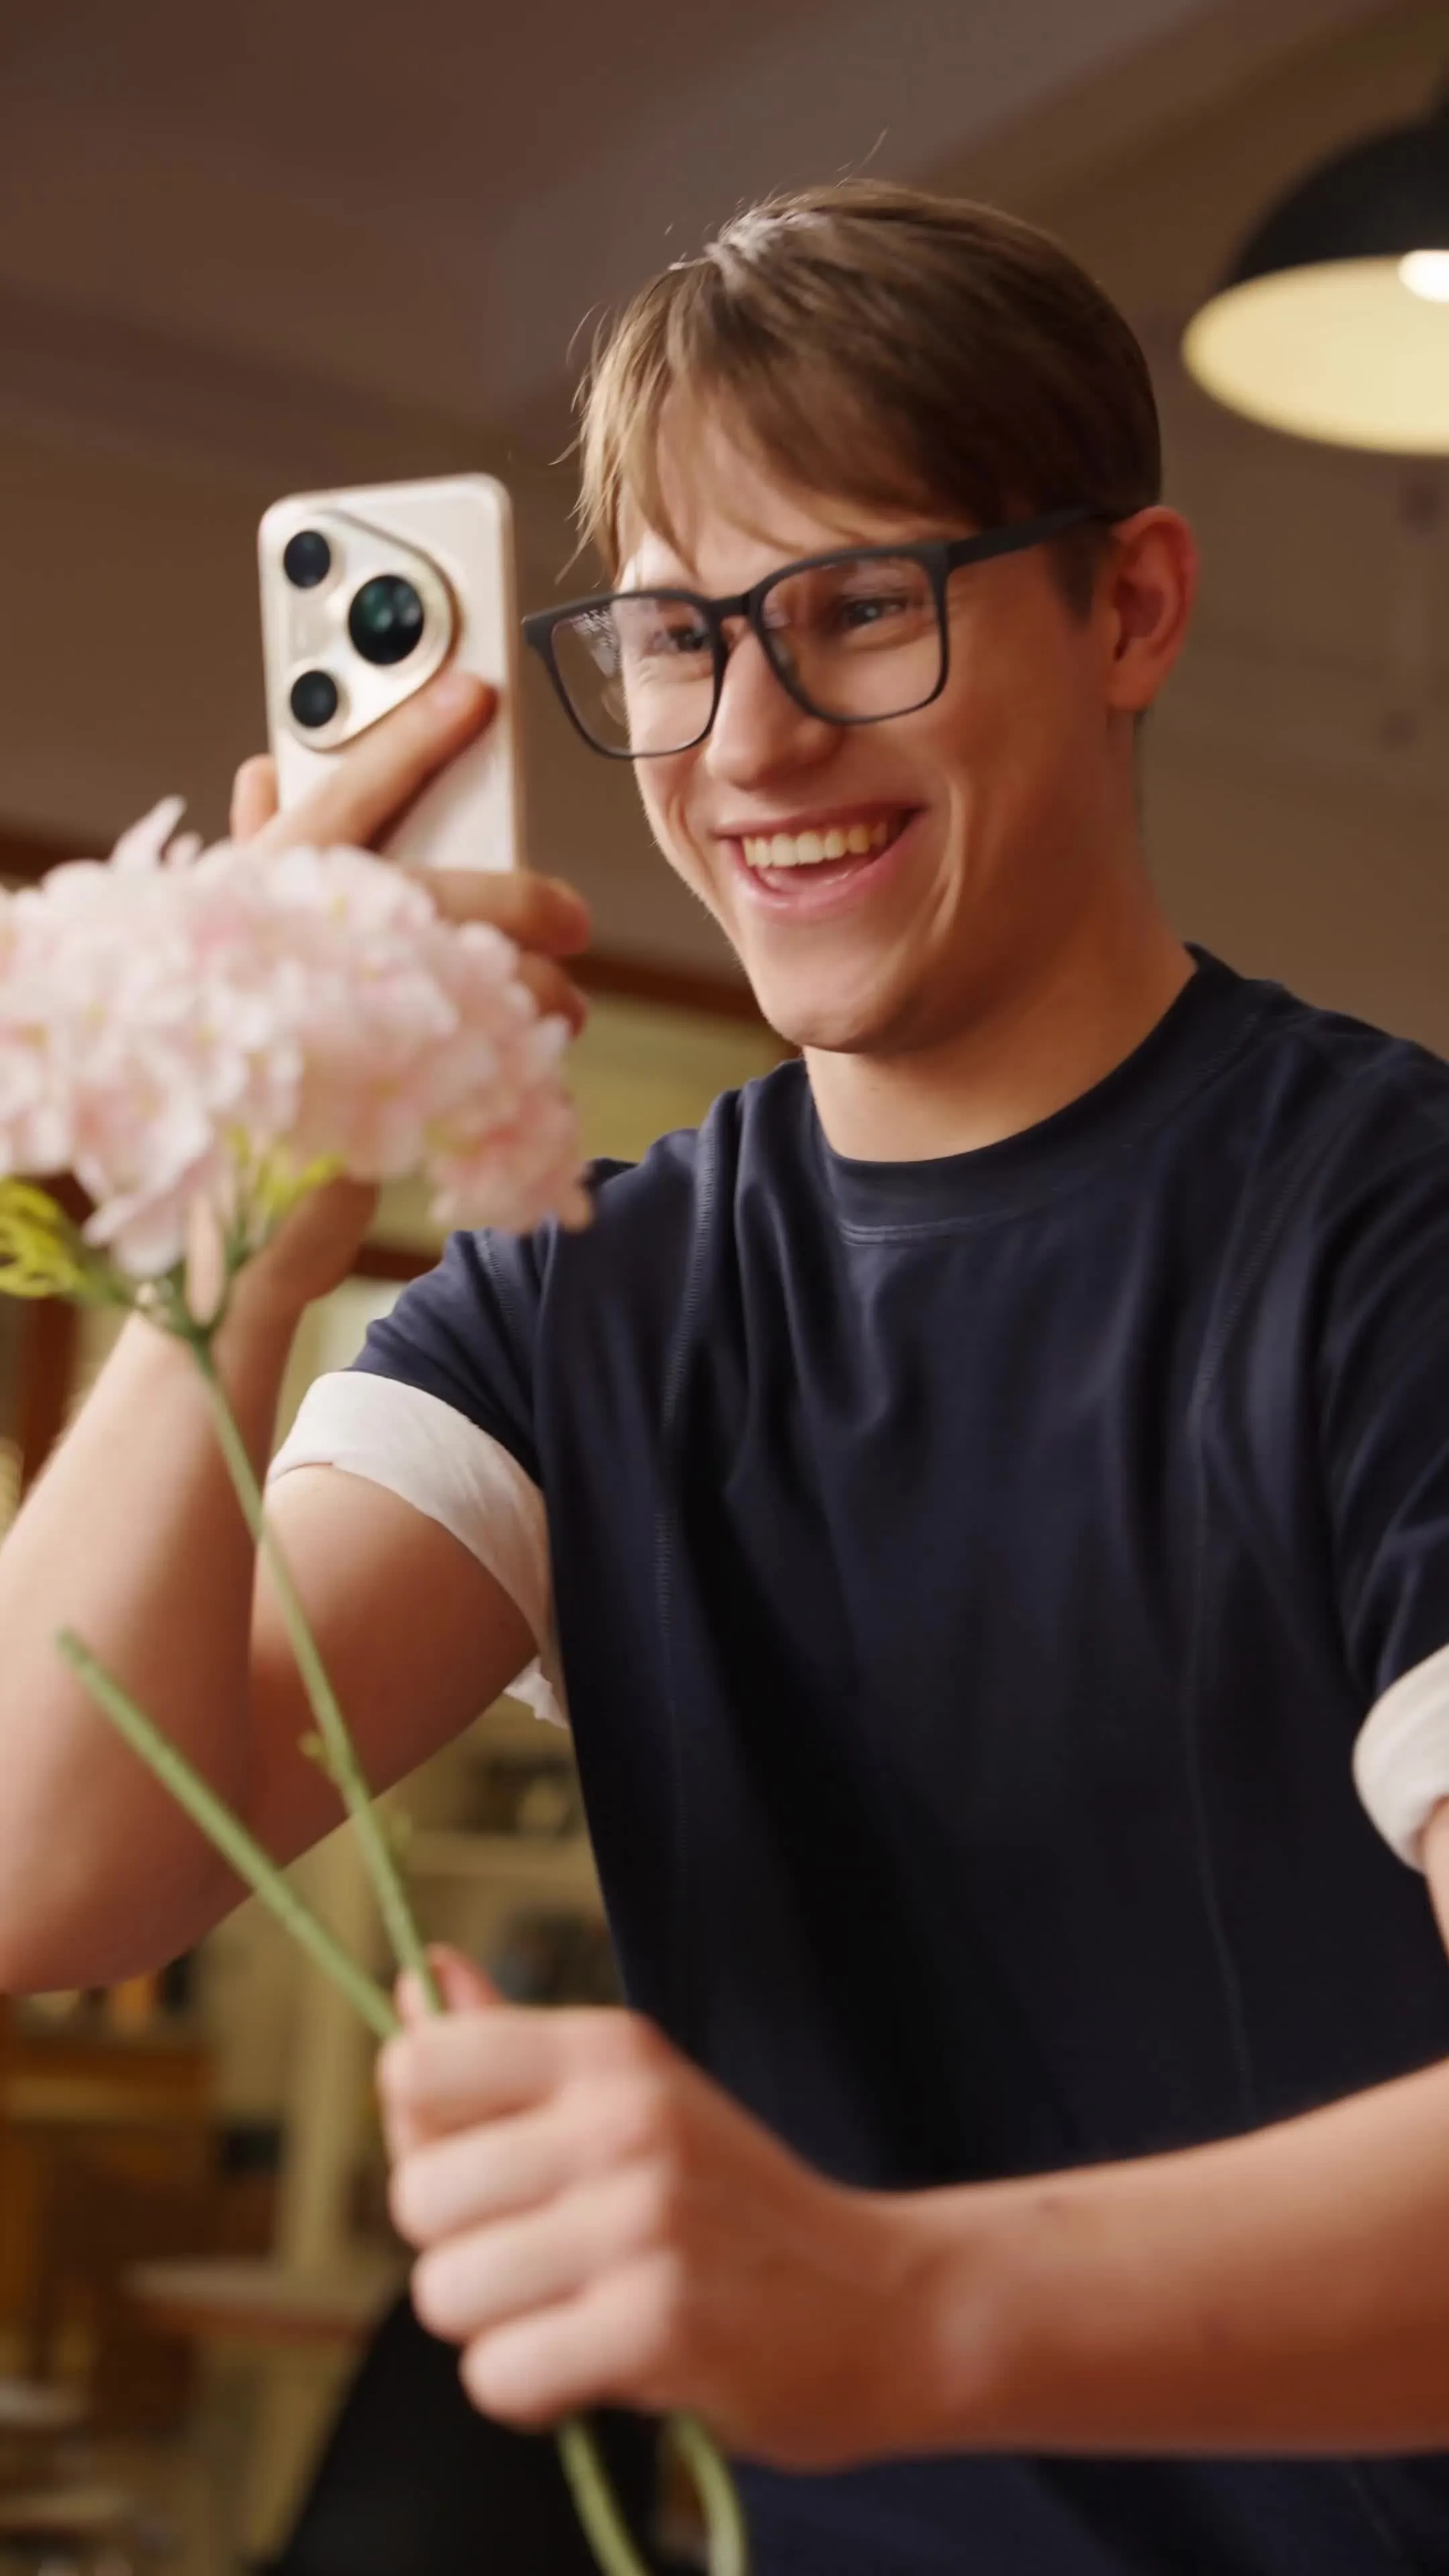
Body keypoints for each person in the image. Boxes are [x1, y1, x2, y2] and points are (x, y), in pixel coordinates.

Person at [6, 180, 1449, 2575]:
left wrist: (894, 2308)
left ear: (1132, 608)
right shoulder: (579, 1303)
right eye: (675, 638)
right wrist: (250, 1212)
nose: (750, 741)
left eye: (861, 608)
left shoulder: (1389, 1236)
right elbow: (51, 1871)